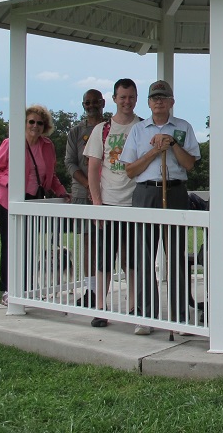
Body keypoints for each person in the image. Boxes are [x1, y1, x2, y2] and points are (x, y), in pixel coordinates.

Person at [119, 80, 200, 335]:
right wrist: (155, 151)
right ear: (149, 102)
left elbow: (190, 164)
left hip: (174, 191)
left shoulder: (183, 127)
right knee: (144, 255)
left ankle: (180, 315)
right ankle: (147, 315)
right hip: (146, 192)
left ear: (171, 101)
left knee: (176, 255)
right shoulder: (138, 130)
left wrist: (172, 144)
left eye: (164, 97)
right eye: (155, 98)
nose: (159, 101)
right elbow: (130, 170)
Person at [0, 105, 71, 306]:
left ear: (45, 126)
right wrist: (10, 182)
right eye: (31, 122)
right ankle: (8, 289)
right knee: (10, 244)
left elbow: (51, 175)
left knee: (29, 245)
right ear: (24, 123)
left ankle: (27, 287)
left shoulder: (47, 146)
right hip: (8, 198)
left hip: (33, 198)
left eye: (39, 123)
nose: (35, 126)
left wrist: (61, 191)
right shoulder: (11, 143)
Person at [84, 79, 140, 327]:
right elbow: (93, 168)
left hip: (135, 204)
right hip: (108, 203)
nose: (127, 102)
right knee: (104, 259)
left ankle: (133, 305)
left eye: (131, 97)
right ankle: (100, 308)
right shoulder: (102, 130)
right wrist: (97, 203)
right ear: (115, 98)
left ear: (136, 98)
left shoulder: (143, 127)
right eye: (122, 97)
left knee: (133, 260)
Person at [65, 89, 106, 308]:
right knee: (89, 244)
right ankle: (91, 291)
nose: (91, 106)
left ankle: (102, 292)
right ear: (83, 105)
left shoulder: (110, 128)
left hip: (108, 194)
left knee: (109, 244)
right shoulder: (76, 132)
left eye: (95, 102)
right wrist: (88, 185)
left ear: (103, 103)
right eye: (87, 103)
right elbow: (70, 163)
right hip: (83, 195)